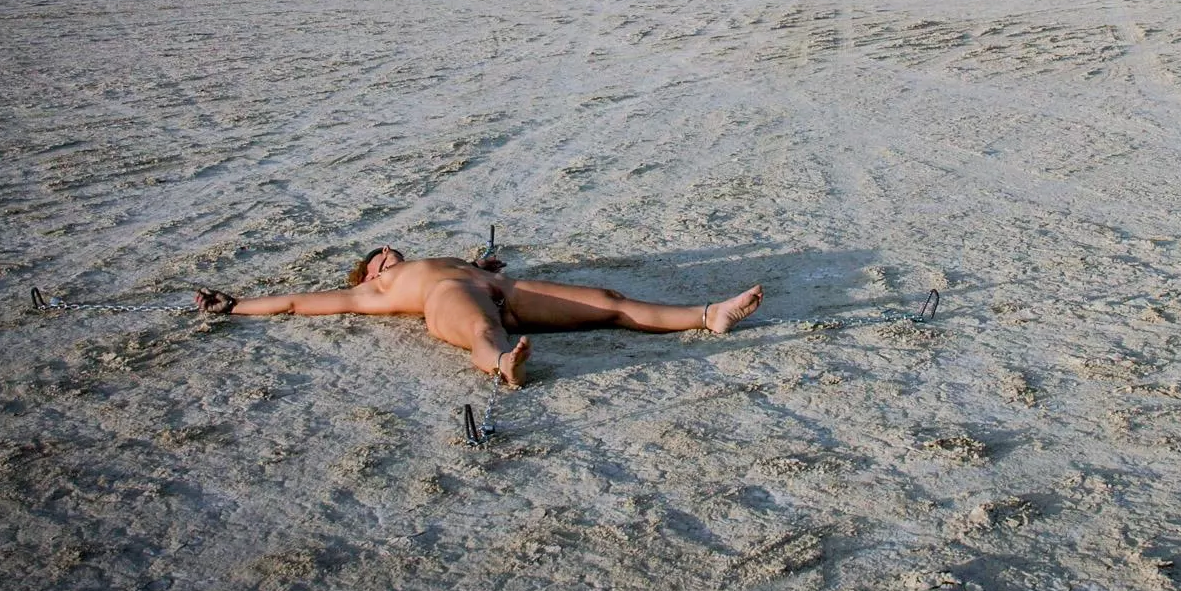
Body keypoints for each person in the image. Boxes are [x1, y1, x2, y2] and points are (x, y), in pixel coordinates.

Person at [195, 248, 764, 387]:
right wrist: (236, 305)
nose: (389, 254)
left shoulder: (440, 260)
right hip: (448, 297)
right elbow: (298, 302)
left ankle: (707, 315)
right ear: (368, 274)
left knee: (607, 299)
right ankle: (502, 365)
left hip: (500, 286)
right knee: (481, 331)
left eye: (390, 251)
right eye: (380, 257)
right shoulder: (375, 290)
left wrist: (478, 265)